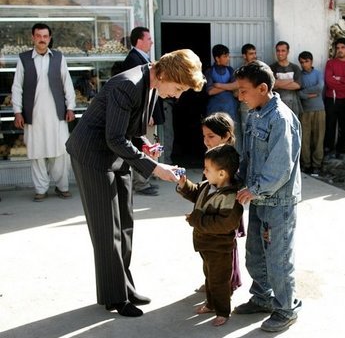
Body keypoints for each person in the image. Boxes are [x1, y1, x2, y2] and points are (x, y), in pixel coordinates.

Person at [65, 49, 205, 317]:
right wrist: (155, 168)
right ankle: (114, 297)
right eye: (177, 89)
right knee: (108, 229)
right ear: (165, 74)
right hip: (92, 156)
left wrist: (145, 146)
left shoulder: (153, 83)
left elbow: (130, 131)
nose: (176, 95)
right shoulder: (127, 85)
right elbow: (115, 138)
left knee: (125, 224)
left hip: (116, 156)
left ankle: (124, 286)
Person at [233, 60, 302, 332]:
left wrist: (256, 188)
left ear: (262, 88)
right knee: (255, 253)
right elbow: (249, 155)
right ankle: (262, 298)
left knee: (278, 257)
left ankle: (286, 308)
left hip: (278, 202)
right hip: (260, 199)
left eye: (243, 91)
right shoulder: (256, 114)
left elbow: (281, 165)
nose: (240, 96)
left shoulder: (280, 118)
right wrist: (238, 178)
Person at [174, 144, 243, 327]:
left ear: (222, 174)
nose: (204, 172)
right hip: (205, 244)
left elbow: (225, 224)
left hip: (219, 248)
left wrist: (196, 219)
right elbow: (196, 192)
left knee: (219, 281)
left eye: (207, 169)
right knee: (209, 276)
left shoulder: (230, 197)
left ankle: (223, 311)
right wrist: (184, 184)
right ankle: (211, 304)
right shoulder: (209, 185)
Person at [11, 23, 76, 202]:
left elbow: (67, 84)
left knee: (60, 152)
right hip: (34, 116)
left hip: (57, 114)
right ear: (33, 38)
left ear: (49, 38)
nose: (42, 39)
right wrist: (17, 111)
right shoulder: (24, 59)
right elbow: (17, 87)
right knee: (37, 153)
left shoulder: (58, 58)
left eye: (45, 36)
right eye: (38, 36)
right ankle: (40, 189)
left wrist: (70, 107)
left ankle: (62, 187)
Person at [200, 112, 245, 293]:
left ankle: (229, 282)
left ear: (226, 136)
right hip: (212, 207)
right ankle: (212, 280)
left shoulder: (229, 159)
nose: (206, 141)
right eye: (204, 136)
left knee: (226, 250)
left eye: (211, 136)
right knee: (211, 248)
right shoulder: (212, 155)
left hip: (225, 210)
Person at [121, 26, 165, 196]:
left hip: (146, 114)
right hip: (144, 115)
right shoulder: (134, 60)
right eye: (148, 39)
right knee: (145, 147)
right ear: (139, 41)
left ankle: (143, 180)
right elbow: (140, 92)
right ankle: (141, 183)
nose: (152, 42)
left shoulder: (141, 58)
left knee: (147, 147)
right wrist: (148, 114)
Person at [205, 44, 240, 149]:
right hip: (215, 109)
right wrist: (228, 86)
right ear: (217, 58)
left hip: (230, 109)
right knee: (215, 134)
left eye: (228, 56)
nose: (228, 59)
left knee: (230, 135)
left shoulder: (230, 70)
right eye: (225, 56)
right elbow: (210, 91)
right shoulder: (209, 72)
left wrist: (219, 85)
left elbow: (236, 85)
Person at [297, 50, 325, 175]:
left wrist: (305, 92)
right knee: (305, 139)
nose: (304, 64)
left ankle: (317, 165)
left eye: (306, 62)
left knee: (318, 138)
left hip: (319, 109)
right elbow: (300, 94)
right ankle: (306, 164)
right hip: (305, 110)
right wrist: (311, 95)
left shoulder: (318, 73)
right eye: (302, 62)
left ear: (311, 61)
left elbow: (320, 87)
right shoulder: (299, 76)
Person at [269, 41, 303, 116]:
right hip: (277, 106)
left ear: (288, 52)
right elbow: (272, 85)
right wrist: (291, 80)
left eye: (283, 51)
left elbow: (297, 85)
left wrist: (278, 83)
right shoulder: (272, 68)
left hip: (293, 106)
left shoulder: (295, 68)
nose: (280, 53)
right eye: (278, 51)